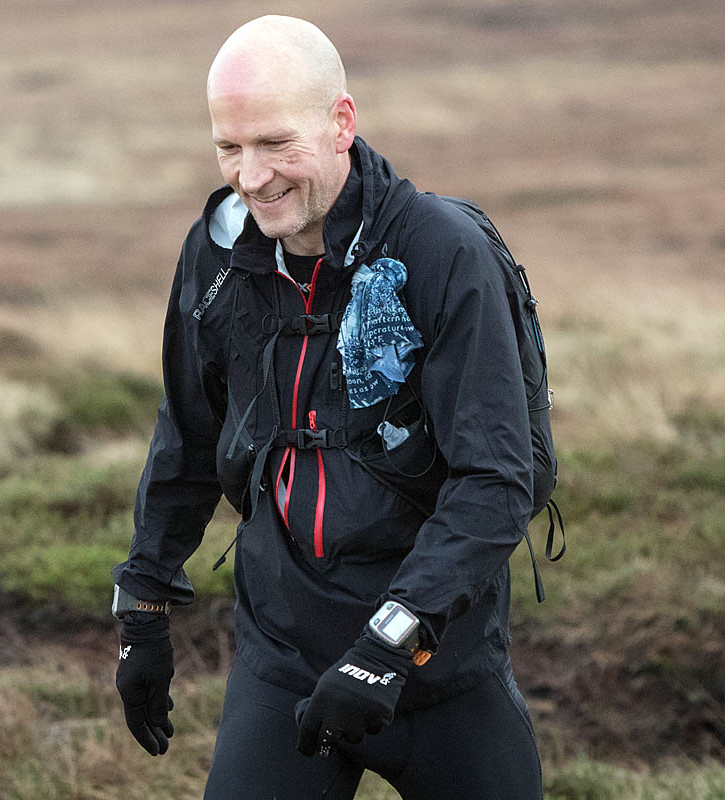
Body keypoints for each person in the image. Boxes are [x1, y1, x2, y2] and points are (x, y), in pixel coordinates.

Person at [111, 14, 545, 799]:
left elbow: (496, 480)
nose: (251, 177)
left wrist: (386, 647)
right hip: (285, 656)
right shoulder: (217, 254)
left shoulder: (442, 252)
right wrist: (142, 601)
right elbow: (189, 434)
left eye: (275, 143)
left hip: (440, 669)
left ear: (341, 123)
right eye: (228, 147)